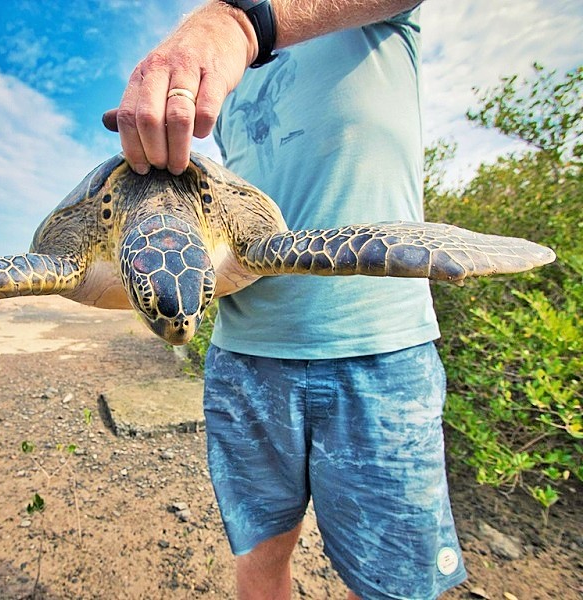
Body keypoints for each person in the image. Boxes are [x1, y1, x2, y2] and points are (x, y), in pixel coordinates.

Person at [105, 1, 467, 598]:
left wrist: (242, 23)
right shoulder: (225, 77)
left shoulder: (321, 22)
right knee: (259, 553)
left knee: (392, 585)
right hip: (244, 353)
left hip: (376, 347)